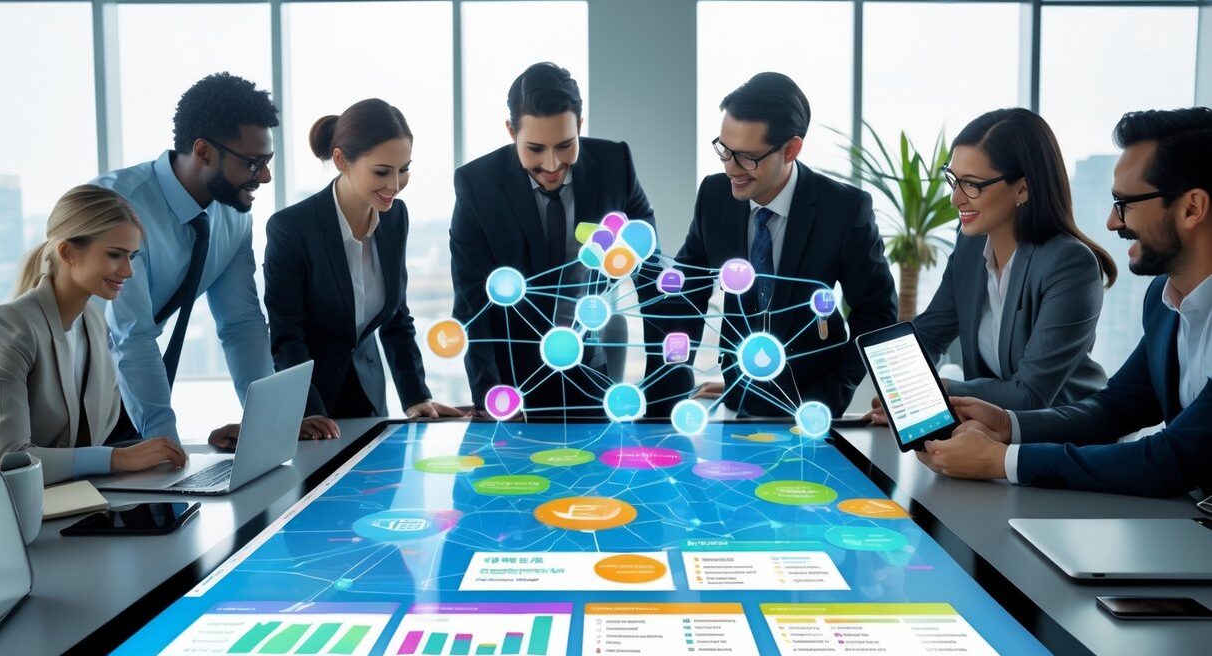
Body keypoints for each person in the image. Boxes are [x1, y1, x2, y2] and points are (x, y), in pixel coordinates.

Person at [916, 106, 1212, 498]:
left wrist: (1004, 461)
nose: (1111, 222)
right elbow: (1117, 408)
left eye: (1125, 204)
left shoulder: (1067, 262)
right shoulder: (1164, 304)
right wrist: (1006, 424)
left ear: (1192, 208)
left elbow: (1171, 458)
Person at [93, 72, 338, 447]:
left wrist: (272, 424)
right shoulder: (119, 204)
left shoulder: (234, 217)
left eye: (268, 161)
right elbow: (132, 335)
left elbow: (240, 324)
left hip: (129, 387)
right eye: (254, 163)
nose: (266, 176)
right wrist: (166, 444)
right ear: (204, 152)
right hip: (72, 389)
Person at [450, 62, 680, 416]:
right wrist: (489, 396)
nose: (553, 164)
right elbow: (472, 302)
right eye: (536, 149)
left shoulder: (615, 164)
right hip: (515, 381)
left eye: (565, 145)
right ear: (511, 131)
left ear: (581, 126)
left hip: (591, 372)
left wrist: (664, 391)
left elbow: (650, 276)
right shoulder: (477, 186)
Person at [868, 108, 1116, 425]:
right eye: (953, 180)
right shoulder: (971, 247)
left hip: (1064, 438)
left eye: (972, 185)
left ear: (1023, 189)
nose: (955, 199)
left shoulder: (1070, 264)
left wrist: (937, 391)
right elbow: (929, 336)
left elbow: (1029, 395)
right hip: (987, 434)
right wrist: (901, 387)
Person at [671, 72, 897, 417]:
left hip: (814, 404)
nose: (731, 168)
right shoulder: (713, 196)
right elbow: (687, 294)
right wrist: (674, 381)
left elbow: (876, 312)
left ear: (791, 149)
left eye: (747, 157)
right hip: (738, 398)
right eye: (724, 150)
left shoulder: (844, 209)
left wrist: (836, 392)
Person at [264, 99, 461, 419]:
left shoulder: (395, 217)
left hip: (369, 401)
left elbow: (396, 318)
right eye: (382, 171)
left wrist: (415, 397)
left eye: (404, 169)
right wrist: (307, 413)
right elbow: (287, 338)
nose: (395, 185)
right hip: (310, 408)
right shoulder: (292, 228)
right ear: (341, 160)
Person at [0, 186, 186, 485]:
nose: (128, 271)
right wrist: (117, 459)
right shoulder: (10, 327)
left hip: (81, 504)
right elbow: (10, 459)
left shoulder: (95, 323)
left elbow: (88, 441)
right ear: (67, 253)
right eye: (115, 255)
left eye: (132, 257)